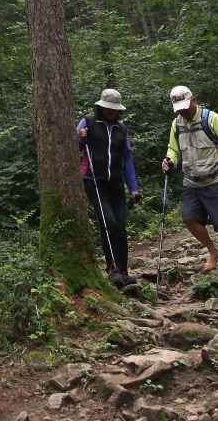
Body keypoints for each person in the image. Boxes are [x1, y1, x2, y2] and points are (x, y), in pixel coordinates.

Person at [161, 85, 218, 286]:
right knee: (189, 219)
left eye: (185, 105)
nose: (183, 110)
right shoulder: (176, 124)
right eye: (179, 107)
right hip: (191, 181)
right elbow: (173, 149)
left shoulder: (211, 119)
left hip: (216, 180)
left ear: (193, 99)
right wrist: (169, 160)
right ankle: (213, 252)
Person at [78, 88, 141, 287]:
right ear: (101, 107)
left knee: (120, 226)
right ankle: (112, 268)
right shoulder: (87, 122)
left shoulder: (121, 129)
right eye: (108, 109)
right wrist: (80, 137)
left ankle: (124, 271)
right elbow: (76, 145)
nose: (112, 112)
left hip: (115, 182)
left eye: (115, 109)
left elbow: (128, 159)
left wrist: (133, 188)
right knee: (108, 222)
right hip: (94, 181)